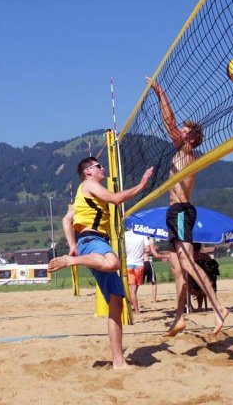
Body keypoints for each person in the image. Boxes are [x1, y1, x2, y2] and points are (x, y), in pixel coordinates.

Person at [48, 156, 153, 369]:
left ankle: (118, 361)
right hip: (92, 240)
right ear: (88, 171)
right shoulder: (89, 184)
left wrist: (71, 244)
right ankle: (72, 261)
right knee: (113, 262)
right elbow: (115, 199)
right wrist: (142, 185)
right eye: (98, 166)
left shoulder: (82, 194)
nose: (102, 168)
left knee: (116, 302)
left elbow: (66, 219)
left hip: (90, 242)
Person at [147, 77, 230, 337]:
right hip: (174, 214)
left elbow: (168, 122)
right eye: (182, 130)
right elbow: (172, 125)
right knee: (176, 269)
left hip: (182, 212)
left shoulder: (186, 151)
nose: (180, 132)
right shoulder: (182, 152)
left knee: (188, 263)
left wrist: (161, 92)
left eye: (185, 131)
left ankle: (218, 308)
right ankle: (179, 317)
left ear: (193, 137)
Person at [123, 229, 147, 314]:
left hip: (129, 263)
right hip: (139, 264)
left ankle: (135, 308)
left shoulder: (125, 235)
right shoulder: (142, 234)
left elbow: (122, 249)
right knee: (134, 290)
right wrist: (141, 251)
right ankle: (135, 308)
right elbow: (147, 249)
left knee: (132, 290)